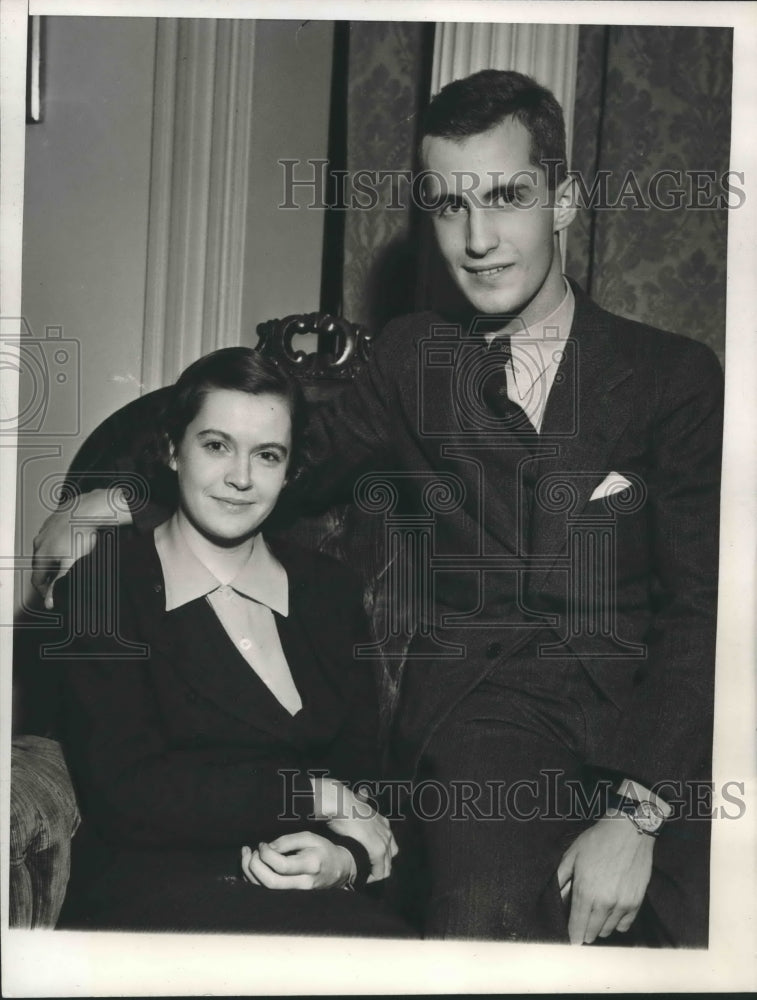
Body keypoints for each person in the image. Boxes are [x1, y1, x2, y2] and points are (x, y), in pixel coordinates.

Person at [31, 71, 723, 945]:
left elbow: (704, 609)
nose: (477, 239)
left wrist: (640, 809)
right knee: (482, 927)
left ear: (564, 200)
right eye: (446, 205)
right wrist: (121, 495)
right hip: (488, 723)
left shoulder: (673, 376)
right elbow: (284, 454)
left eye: (507, 196)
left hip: (657, 730)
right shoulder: (411, 361)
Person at [44, 347, 410, 936]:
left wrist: (347, 860)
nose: (241, 477)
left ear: (290, 472)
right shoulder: (104, 587)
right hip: (156, 897)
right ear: (172, 449)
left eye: (267, 455)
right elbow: (128, 793)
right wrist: (312, 795)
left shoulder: (329, 592)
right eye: (216, 446)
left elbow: (360, 775)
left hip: (313, 895)